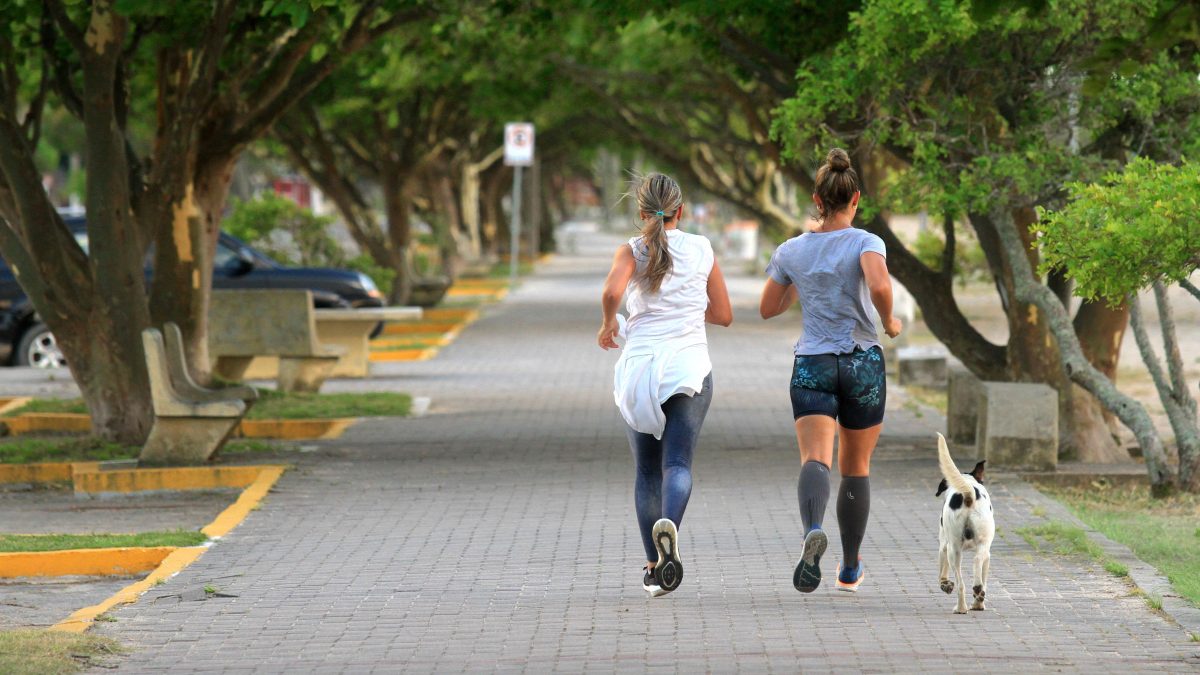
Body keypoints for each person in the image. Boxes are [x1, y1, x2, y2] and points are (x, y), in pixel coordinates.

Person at [759, 148, 901, 594]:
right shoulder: (866, 241)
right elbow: (878, 284)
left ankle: (811, 531)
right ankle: (850, 567)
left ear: (816, 200)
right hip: (862, 364)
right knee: (855, 465)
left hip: (813, 365)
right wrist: (891, 321)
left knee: (815, 459)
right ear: (855, 198)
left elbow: (768, 307)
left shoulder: (792, 250)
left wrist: (803, 282)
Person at [598, 172, 733, 597]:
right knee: (677, 465)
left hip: (640, 369)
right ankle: (670, 526)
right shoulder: (703, 248)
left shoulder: (632, 250)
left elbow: (610, 293)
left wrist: (607, 324)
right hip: (688, 368)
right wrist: (692, 307)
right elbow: (724, 314)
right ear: (681, 210)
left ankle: (655, 567)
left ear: (642, 213)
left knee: (645, 472)